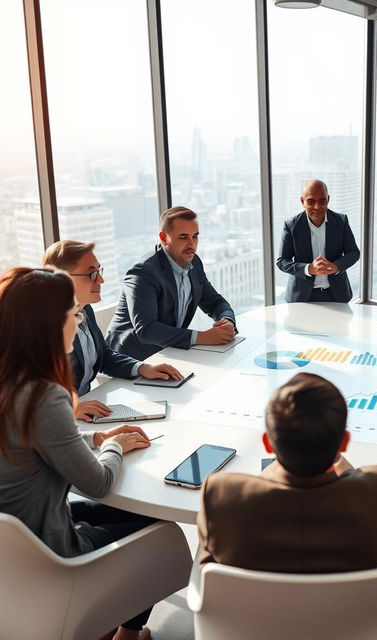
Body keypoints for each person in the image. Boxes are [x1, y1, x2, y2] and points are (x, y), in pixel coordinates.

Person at [0, 267, 157, 640]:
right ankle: (124, 634)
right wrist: (116, 446)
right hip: (49, 548)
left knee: (131, 512)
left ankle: (100, 626)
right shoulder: (42, 395)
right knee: (154, 526)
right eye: (75, 313)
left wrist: (96, 442)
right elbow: (98, 483)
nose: (80, 319)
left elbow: (33, 448)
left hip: (14, 545)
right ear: (49, 325)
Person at [197, 372, 377, 588]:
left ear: (267, 443)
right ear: (344, 442)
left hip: (249, 621)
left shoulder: (222, 496)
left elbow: (209, 575)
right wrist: (350, 473)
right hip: (364, 621)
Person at [43, 240, 182, 422]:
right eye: (91, 274)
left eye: (99, 271)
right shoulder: (43, 325)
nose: (101, 280)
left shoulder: (85, 310)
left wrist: (142, 368)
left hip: (88, 409)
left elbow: (104, 356)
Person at [106, 206, 236, 360]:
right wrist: (203, 337)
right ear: (163, 237)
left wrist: (227, 321)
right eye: (183, 237)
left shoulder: (194, 263)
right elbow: (147, 330)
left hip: (168, 354)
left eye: (195, 236)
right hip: (129, 360)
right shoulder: (143, 273)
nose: (191, 244)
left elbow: (215, 302)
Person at [276, 179, 360, 303]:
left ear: (328, 200)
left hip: (336, 294)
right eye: (311, 201)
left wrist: (336, 266)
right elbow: (282, 261)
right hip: (302, 297)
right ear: (302, 201)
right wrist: (308, 269)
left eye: (322, 201)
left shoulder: (341, 221)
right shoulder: (291, 225)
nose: (317, 207)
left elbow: (353, 252)